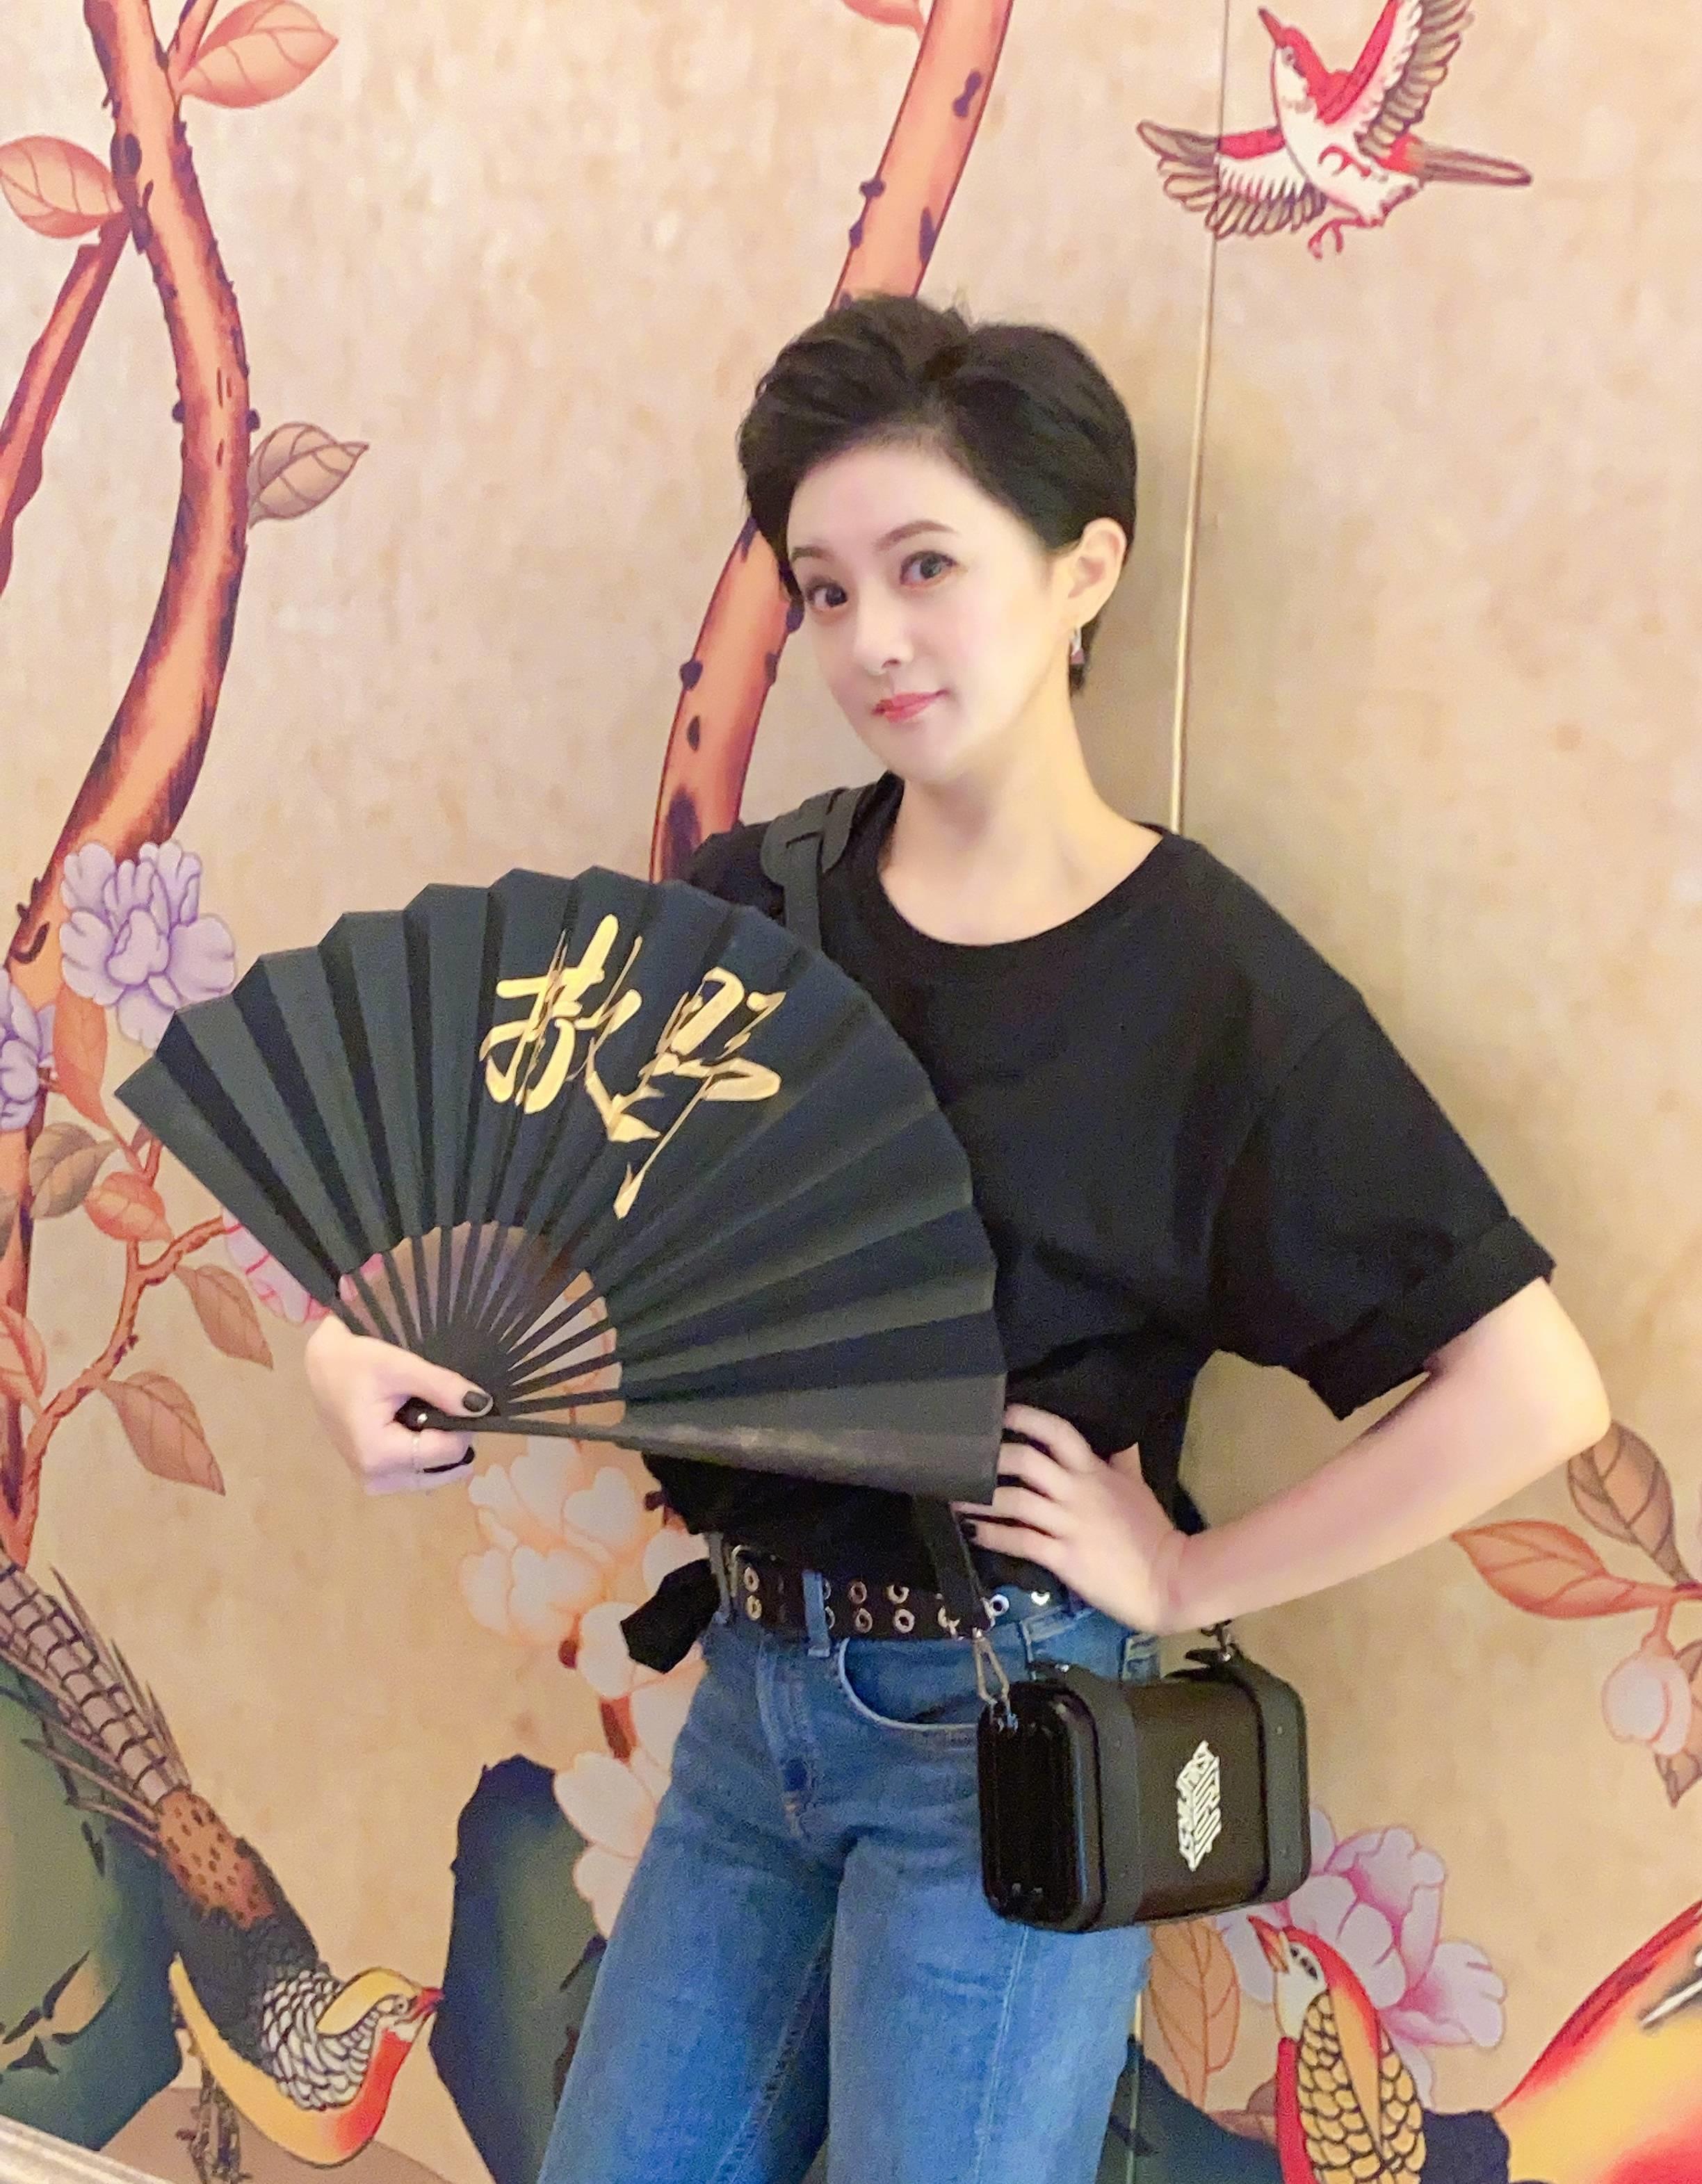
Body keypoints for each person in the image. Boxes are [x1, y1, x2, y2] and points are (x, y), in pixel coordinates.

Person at [304, 296, 1609, 2184]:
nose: (873, 641)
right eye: (825, 591)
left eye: (928, 566)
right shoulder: (761, 901)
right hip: (752, 1705)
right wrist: (365, 1340)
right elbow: (538, 1196)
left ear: (1085, 570)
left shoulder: (1208, 988)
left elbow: (1530, 1386)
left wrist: (1188, 1574)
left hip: (1010, 1725)